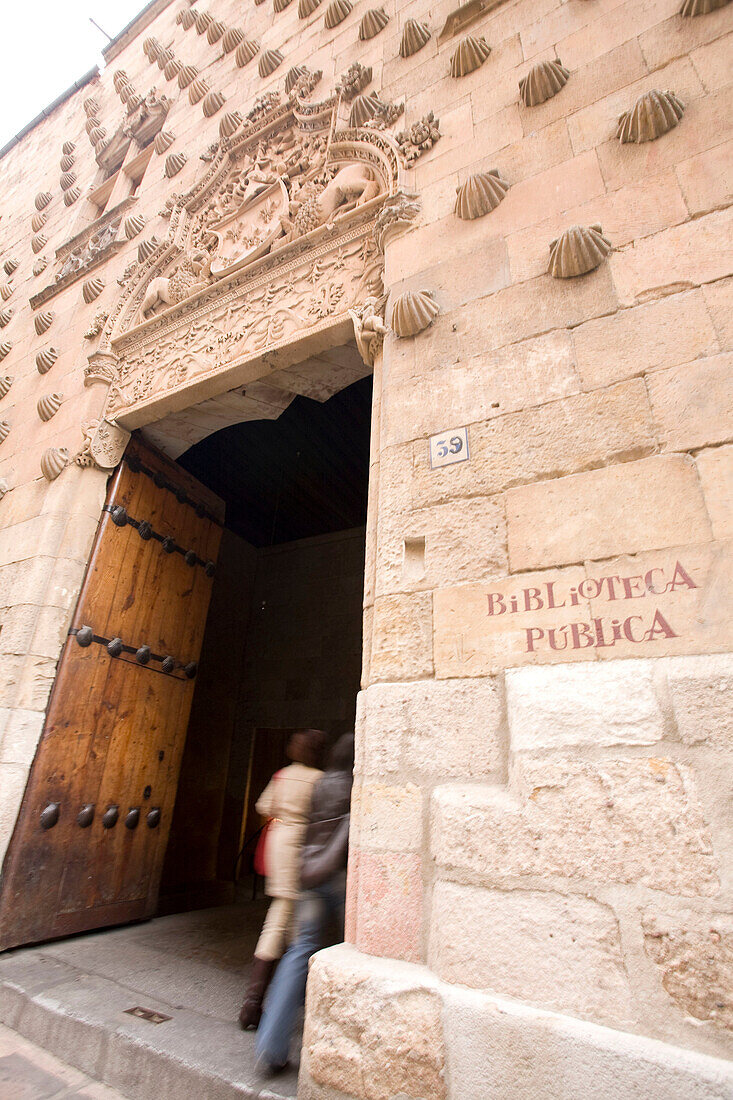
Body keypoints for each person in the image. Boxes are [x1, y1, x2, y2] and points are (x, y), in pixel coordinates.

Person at [255, 732, 355, 1071]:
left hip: (308, 872)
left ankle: (270, 1044)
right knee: (356, 953)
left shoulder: (321, 782)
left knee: (299, 948)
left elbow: (270, 809)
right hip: (339, 878)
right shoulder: (356, 786)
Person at [238, 728, 326, 1030]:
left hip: (279, 841)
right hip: (302, 844)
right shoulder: (318, 779)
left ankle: (287, 994)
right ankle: (253, 1003)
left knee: (290, 921)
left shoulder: (281, 775)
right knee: (282, 919)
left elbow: (263, 807)